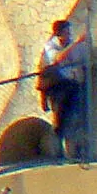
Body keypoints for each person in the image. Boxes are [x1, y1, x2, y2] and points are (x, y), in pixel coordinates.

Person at [37, 19, 84, 161]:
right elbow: (58, 58)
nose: (69, 34)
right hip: (58, 87)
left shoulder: (72, 45)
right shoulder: (51, 45)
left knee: (74, 118)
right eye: (66, 31)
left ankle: (72, 153)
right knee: (60, 121)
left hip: (73, 85)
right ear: (59, 33)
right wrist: (76, 44)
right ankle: (57, 153)